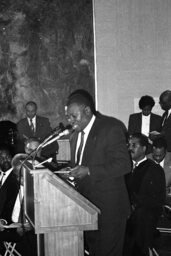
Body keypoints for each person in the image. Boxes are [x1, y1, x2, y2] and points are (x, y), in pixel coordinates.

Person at [61, 89, 131, 256]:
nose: (70, 120)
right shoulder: (75, 135)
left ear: (87, 110)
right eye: (68, 117)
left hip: (110, 210)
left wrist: (89, 171)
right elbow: (80, 165)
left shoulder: (110, 127)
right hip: (88, 209)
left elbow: (124, 164)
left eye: (73, 116)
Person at [125, 133, 166, 256]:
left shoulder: (154, 169)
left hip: (143, 224)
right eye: (129, 145)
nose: (130, 148)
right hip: (125, 221)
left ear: (143, 149)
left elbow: (157, 200)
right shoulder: (125, 167)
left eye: (134, 145)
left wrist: (134, 206)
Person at [0, 153, 37, 256]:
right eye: (16, 175)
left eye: (21, 175)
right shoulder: (13, 186)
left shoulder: (38, 191)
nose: (18, 179)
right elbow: (6, 210)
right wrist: (2, 221)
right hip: (11, 227)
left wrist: (27, 227)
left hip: (29, 232)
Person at [0, 146, 19, 224]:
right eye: (1, 158)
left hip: (5, 224)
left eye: (8, 157)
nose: (5, 160)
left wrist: (3, 220)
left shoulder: (17, 177)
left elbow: (11, 203)